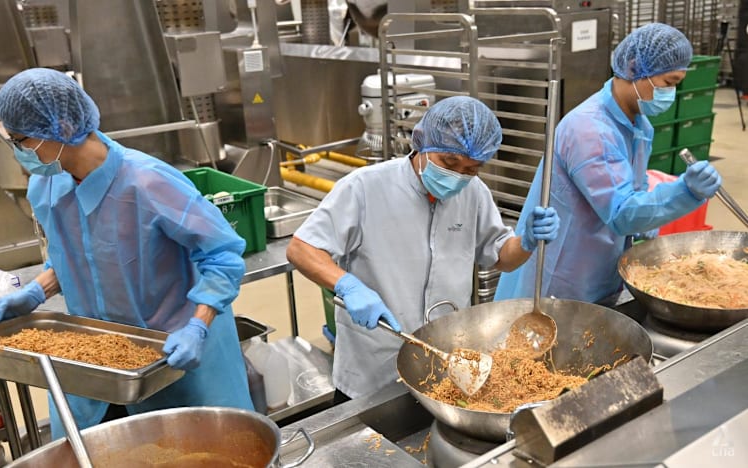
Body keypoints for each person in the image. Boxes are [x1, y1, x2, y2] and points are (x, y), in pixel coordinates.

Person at [0, 68, 253, 439]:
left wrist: (198, 326)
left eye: (22, 141)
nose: (20, 153)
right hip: (98, 360)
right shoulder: (46, 186)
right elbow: (76, 257)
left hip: (175, 356)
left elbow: (223, 256)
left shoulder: (148, 182)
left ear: (61, 128)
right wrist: (36, 292)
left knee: (200, 450)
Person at [286, 96, 561, 400]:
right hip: (374, 371)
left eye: (471, 169)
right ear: (422, 143)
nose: (458, 176)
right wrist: (348, 286)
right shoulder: (365, 187)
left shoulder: (474, 193)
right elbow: (302, 248)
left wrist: (525, 242)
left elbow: (502, 257)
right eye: (449, 163)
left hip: (447, 369)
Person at [495, 23, 723, 304]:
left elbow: (633, 191)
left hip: (599, 265)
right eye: (668, 83)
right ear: (634, 68)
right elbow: (622, 212)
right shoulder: (589, 129)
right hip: (563, 274)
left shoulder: (638, 125)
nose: (671, 93)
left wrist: (649, 221)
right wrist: (685, 192)